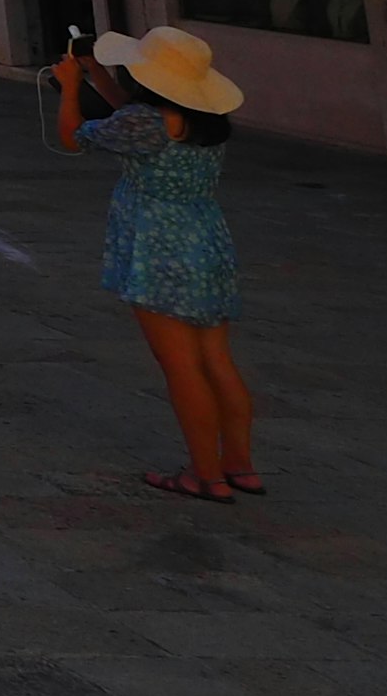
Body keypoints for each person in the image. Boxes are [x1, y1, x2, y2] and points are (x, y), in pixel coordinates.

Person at [56, 26, 257, 503]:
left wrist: (69, 88)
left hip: (158, 249)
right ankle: (240, 466)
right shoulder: (206, 119)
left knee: (180, 367)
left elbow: (72, 138)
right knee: (216, 360)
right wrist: (96, 75)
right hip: (206, 240)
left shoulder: (146, 123)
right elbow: (132, 115)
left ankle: (204, 475)